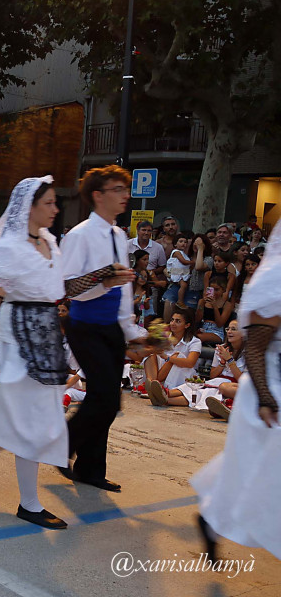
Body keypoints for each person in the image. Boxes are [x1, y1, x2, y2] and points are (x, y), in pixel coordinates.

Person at [0, 175, 71, 529]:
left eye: (55, 202)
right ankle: (29, 504)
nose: (55, 209)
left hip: (45, 339)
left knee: (27, 421)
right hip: (14, 342)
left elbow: (61, 288)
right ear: (29, 207)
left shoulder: (50, 241)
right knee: (29, 423)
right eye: (48, 203)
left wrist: (103, 277)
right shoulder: (9, 247)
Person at [192, 223, 281, 561]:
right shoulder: (274, 282)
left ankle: (211, 519)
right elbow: (255, 350)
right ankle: (213, 519)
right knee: (256, 470)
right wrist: (266, 399)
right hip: (267, 389)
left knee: (250, 467)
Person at [59, 165, 143, 493]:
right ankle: (62, 444)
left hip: (111, 326)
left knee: (106, 399)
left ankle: (90, 469)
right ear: (98, 195)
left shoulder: (119, 235)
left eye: (125, 189)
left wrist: (132, 332)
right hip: (84, 325)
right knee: (105, 399)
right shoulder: (79, 235)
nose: (125, 195)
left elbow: (124, 289)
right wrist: (103, 280)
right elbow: (68, 287)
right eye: (117, 189)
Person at [144, 309, 202, 406]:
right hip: (161, 372)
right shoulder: (164, 336)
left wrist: (168, 358)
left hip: (182, 375)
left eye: (178, 321)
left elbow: (190, 363)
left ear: (187, 325)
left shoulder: (195, 341)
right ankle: (152, 385)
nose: (173, 323)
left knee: (177, 356)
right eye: (172, 320)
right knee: (151, 354)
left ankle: (156, 386)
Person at [203, 319, 246, 418]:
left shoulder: (248, 352)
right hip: (218, 381)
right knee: (199, 391)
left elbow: (242, 381)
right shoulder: (221, 348)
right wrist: (222, 362)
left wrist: (230, 360)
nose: (229, 332)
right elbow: (212, 375)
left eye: (234, 329)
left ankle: (227, 407)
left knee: (223, 388)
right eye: (228, 329)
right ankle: (168, 396)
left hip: (235, 385)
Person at [195, 276, 235, 344]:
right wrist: (201, 305)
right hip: (203, 328)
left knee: (198, 337)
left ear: (223, 290)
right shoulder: (202, 301)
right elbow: (197, 319)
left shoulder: (227, 305)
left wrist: (215, 307)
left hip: (217, 331)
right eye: (211, 290)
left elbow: (220, 324)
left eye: (216, 290)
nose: (214, 292)